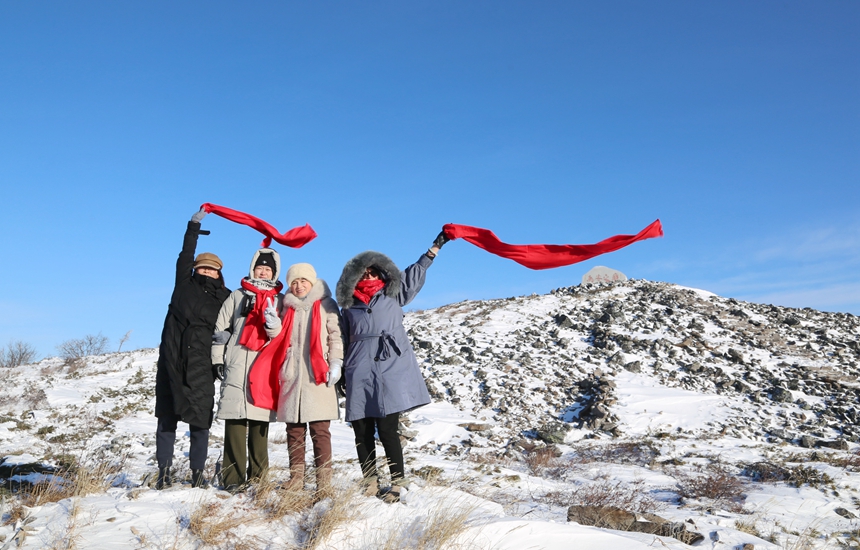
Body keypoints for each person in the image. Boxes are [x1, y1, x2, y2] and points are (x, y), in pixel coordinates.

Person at [335, 230, 449, 502]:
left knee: (387, 429)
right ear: (354, 278)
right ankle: (370, 480)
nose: (369, 278)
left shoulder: (393, 294)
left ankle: (398, 481)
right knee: (361, 430)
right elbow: (340, 337)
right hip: (358, 368)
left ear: (382, 275)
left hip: (389, 368)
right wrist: (340, 369)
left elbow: (414, 274)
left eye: (373, 273)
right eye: (363, 274)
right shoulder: (348, 307)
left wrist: (434, 248)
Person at [155, 209, 230, 489]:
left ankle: (197, 475)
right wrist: (193, 226)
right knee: (166, 418)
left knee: (200, 421)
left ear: (219, 273)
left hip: (202, 364)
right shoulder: (183, 284)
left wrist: (224, 338)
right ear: (195, 269)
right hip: (173, 359)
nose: (207, 272)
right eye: (202, 267)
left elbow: (234, 323)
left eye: (212, 269)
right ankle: (163, 472)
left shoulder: (226, 297)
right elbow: (185, 255)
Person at [211, 248, 283, 491]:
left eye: (268, 269)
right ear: (252, 268)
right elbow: (221, 329)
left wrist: (273, 322)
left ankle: (258, 480)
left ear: (274, 273)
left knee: (260, 425)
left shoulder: (279, 300)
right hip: (237, 361)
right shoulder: (237, 295)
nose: (263, 272)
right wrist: (218, 359)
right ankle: (232, 480)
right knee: (235, 423)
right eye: (260, 268)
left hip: (264, 365)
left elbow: (280, 335)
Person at [267, 263, 343, 493]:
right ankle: (296, 479)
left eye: (303, 281)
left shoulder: (326, 304)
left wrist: (336, 362)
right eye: (294, 282)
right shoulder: (285, 306)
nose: (298, 286)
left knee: (320, 430)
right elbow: (277, 337)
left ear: (312, 282)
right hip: (292, 373)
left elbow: (336, 336)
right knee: (294, 430)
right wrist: (272, 323)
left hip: (317, 372)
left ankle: (324, 483)